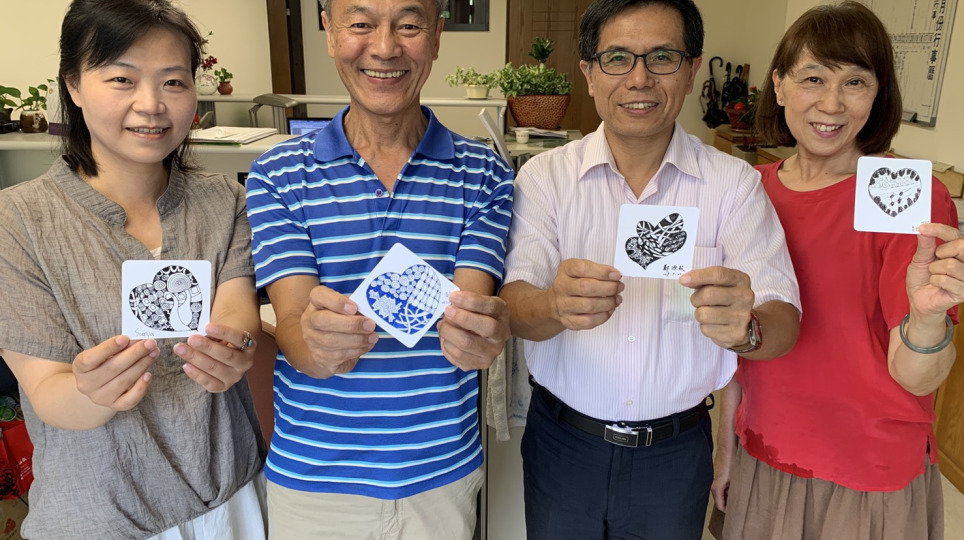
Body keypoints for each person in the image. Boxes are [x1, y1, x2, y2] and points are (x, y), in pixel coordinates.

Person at [498, 0, 801, 538]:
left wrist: (748, 329)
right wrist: (551, 305)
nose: (639, 79)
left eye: (662, 57)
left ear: (691, 70)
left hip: (675, 455)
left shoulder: (734, 184)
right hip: (563, 446)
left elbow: (783, 319)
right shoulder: (544, 179)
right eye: (617, 58)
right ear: (589, 73)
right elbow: (514, 308)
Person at [243, 0, 514, 537]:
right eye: (361, 24)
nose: (385, 48)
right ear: (329, 31)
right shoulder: (277, 175)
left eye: (409, 25)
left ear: (437, 36)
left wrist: (480, 335)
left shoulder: (485, 174)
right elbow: (292, 326)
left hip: (440, 474)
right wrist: (315, 342)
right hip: (314, 478)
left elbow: (469, 314)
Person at [0, 1, 267, 539]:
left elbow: (237, 308)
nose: (151, 105)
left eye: (173, 82)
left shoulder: (225, 200)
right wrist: (90, 391)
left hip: (233, 499)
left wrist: (236, 347)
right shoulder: (18, 221)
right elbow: (47, 390)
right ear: (73, 85)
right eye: (122, 78)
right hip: (101, 517)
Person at [712, 3, 963, 539]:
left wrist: (926, 321)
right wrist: (725, 447)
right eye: (813, 78)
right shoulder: (749, 191)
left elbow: (918, 375)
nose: (831, 103)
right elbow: (738, 345)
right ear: (779, 85)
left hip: (866, 471)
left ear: (878, 94)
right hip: (765, 450)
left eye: (855, 82)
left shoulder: (908, 197)